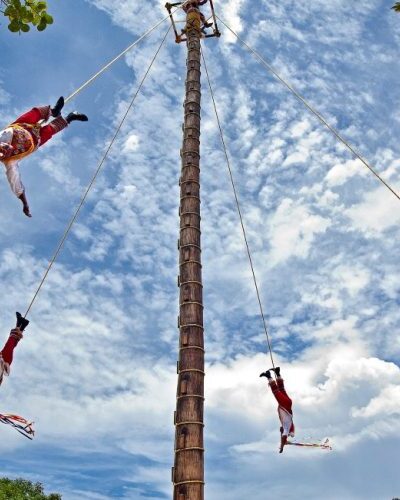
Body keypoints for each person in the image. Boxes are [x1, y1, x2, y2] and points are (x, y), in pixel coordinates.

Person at [0, 97, 88, 217]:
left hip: (22, 126)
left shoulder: (2, 137)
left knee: (35, 113)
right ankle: (70, 117)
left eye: (4, 147)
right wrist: (25, 204)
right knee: (50, 130)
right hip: (35, 140)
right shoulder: (10, 163)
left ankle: (54, 111)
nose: (6, 150)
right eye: (6, 153)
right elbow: (16, 186)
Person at [260, 366, 295, 453]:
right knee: (276, 392)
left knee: (282, 390)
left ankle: (277, 372)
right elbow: (284, 435)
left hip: (287, 404)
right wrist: (282, 446)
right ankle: (269, 376)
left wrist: (283, 442)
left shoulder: (287, 425)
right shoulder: (287, 428)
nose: (282, 431)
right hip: (285, 404)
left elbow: (282, 434)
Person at [0, 312, 29, 386]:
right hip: (4, 361)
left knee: (10, 346)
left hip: (3, 361)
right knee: (9, 346)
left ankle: (20, 325)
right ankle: (20, 325)